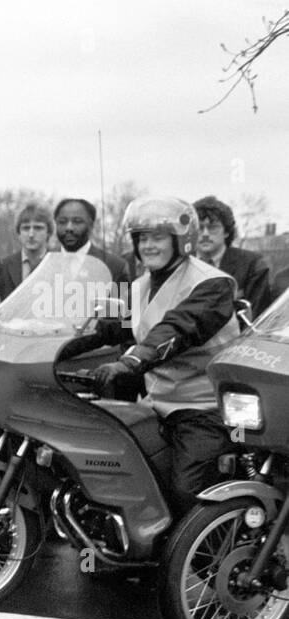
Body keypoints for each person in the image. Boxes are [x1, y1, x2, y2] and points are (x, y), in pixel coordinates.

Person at [92, 197, 238, 514]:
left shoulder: (213, 283)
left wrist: (129, 361)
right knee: (119, 472)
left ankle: (199, 558)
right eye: (142, 238)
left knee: (186, 493)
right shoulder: (136, 284)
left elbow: (177, 328)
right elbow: (101, 326)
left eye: (157, 237)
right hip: (155, 404)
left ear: (180, 240)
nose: (148, 245)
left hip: (204, 408)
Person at [193, 195, 274, 320]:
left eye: (212, 227)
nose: (205, 234)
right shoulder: (181, 264)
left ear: (227, 231)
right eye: (199, 228)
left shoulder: (252, 265)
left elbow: (259, 317)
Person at [54, 197, 133, 291]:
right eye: (62, 222)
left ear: (91, 225)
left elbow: (123, 304)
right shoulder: (43, 266)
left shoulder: (114, 266)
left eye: (77, 221)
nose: (69, 228)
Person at [0, 203, 55, 299]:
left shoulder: (59, 264)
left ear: (48, 232)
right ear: (19, 233)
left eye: (38, 228)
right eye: (26, 228)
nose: (31, 234)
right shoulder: (4, 267)